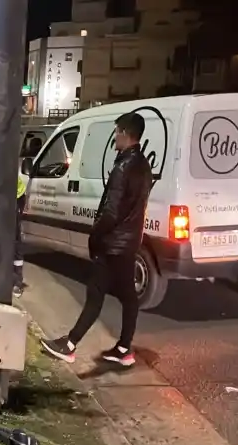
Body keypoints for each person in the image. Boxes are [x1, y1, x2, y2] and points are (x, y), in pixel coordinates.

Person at [41, 112, 153, 366]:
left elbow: (111, 211)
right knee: (128, 296)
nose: (114, 137)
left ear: (125, 133)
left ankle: (69, 345)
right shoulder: (143, 165)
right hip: (129, 243)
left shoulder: (123, 167)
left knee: (96, 293)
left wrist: (96, 235)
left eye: (116, 132)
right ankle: (124, 348)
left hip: (113, 244)